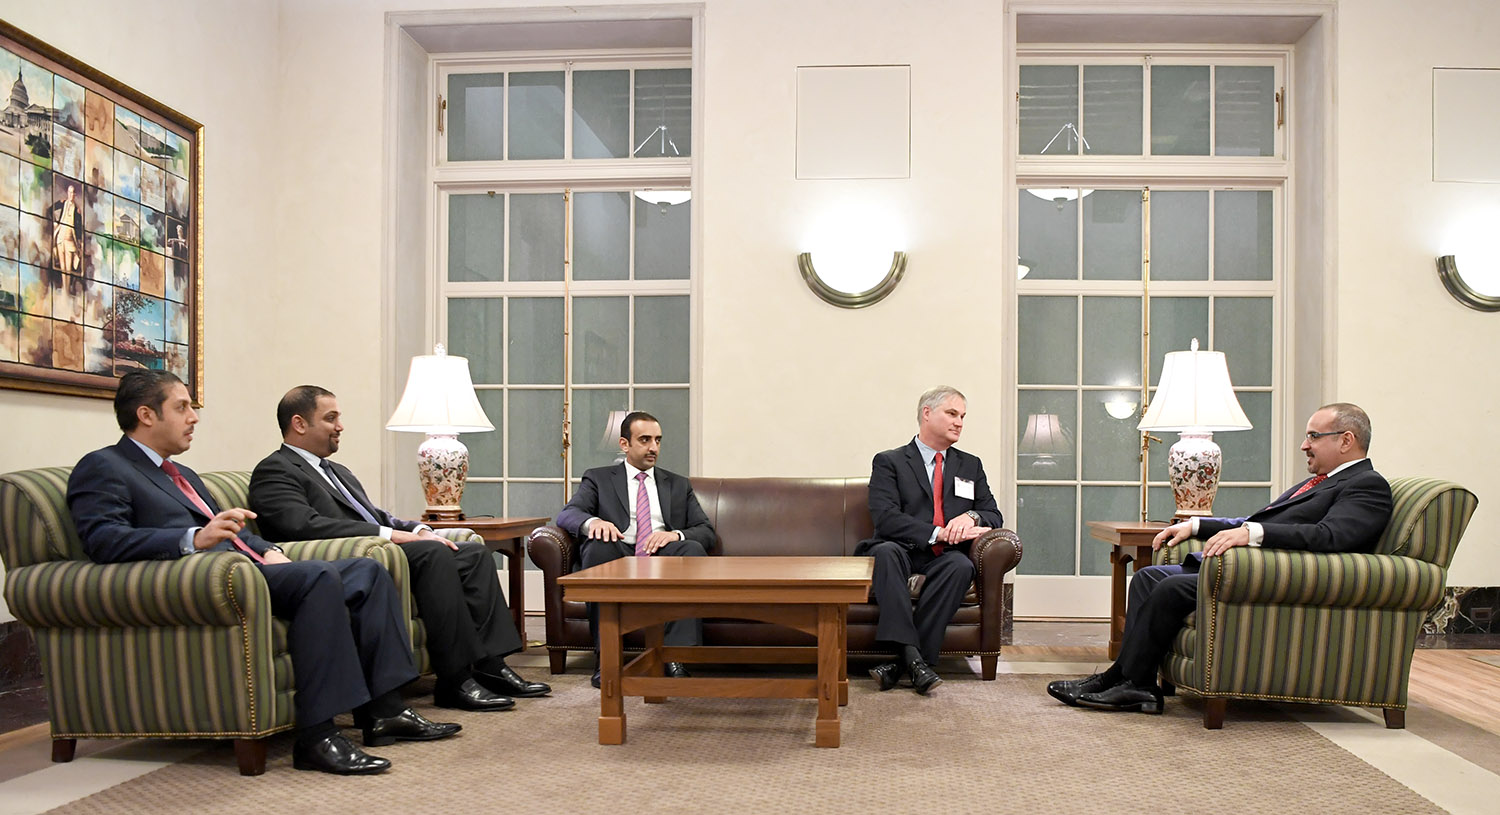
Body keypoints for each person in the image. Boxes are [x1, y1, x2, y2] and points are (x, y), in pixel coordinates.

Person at [66, 371, 460, 776]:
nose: (193, 417)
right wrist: (192, 539)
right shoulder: (104, 466)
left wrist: (268, 549)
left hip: (246, 569)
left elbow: (230, 529)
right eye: (181, 408)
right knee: (319, 579)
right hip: (207, 582)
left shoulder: (181, 473)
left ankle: (385, 712)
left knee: (366, 572)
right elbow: (103, 540)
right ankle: (317, 737)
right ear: (146, 415)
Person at [1047, 402, 1395, 714]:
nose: (1305, 445)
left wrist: (1253, 534)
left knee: (1170, 589)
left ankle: (1133, 686)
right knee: (1148, 577)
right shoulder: (1322, 482)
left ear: (1346, 440)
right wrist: (1196, 525)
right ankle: (1124, 679)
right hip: (1250, 570)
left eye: (1313, 436)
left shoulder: (1367, 485)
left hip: (1275, 578)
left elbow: (1331, 537)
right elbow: (1257, 521)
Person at [248, 386, 551, 713]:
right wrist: (392, 536)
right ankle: (454, 680)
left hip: (379, 548)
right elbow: (303, 526)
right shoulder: (275, 470)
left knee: (471, 553)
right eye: (330, 418)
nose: (340, 426)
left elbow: (374, 515)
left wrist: (418, 529)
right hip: (350, 558)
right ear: (299, 423)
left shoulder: (337, 471)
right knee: (433, 554)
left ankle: (491, 665)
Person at [856, 386, 1003, 695]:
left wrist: (972, 517)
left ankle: (904, 662)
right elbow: (886, 518)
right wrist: (938, 532)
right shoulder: (890, 461)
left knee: (961, 566)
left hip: (943, 555)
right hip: (900, 549)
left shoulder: (970, 465)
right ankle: (916, 660)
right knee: (886, 553)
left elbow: (993, 514)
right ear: (927, 413)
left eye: (962, 416)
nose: (959, 422)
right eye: (952, 413)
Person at [555, 411, 716, 688]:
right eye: (644, 440)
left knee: (691, 549)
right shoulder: (599, 478)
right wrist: (594, 523)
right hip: (617, 551)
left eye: (658, 440)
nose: (653, 447)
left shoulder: (677, 484)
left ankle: (675, 658)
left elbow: (705, 530)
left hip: (661, 556)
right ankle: (607, 659)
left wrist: (673, 535)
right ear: (624, 444)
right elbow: (568, 514)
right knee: (598, 546)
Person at [51, 183, 81, 272]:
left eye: (73, 193)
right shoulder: (62, 203)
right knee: (62, 267)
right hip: (60, 239)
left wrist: (80, 243)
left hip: (70, 240)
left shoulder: (77, 210)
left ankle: (68, 282)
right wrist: (55, 222)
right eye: (70, 192)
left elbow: (78, 228)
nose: (71, 195)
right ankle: (64, 282)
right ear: (67, 193)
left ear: (75, 194)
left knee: (68, 269)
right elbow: (50, 210)